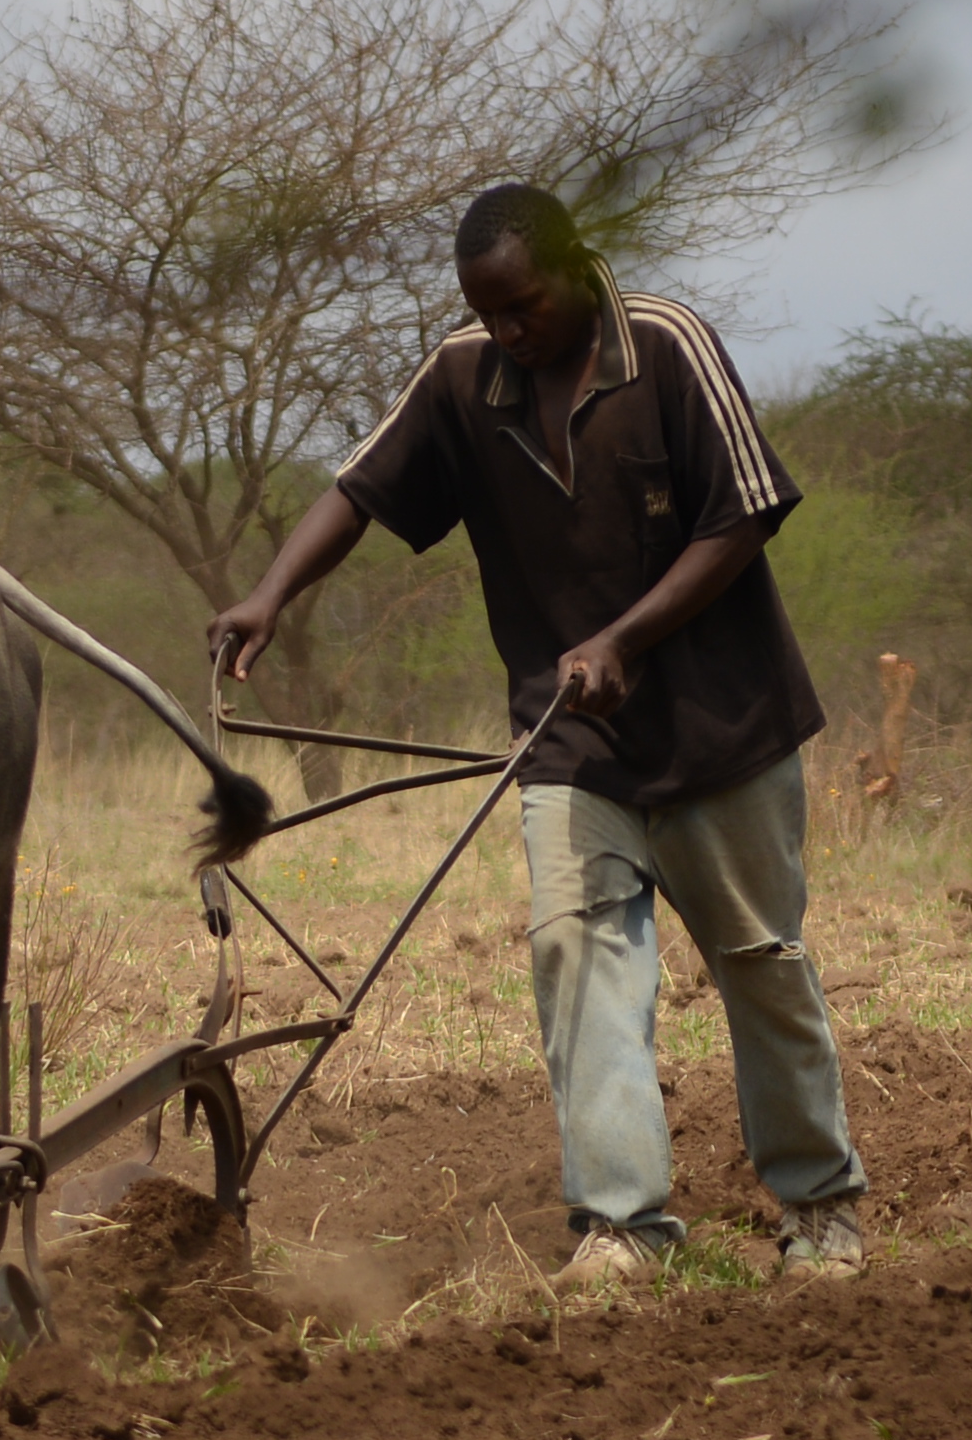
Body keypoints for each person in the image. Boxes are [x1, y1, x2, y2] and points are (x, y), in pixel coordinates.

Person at [211, 182, 866, 1284]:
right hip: (567, 742)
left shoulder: (666, 345)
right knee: (577, 959)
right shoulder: (466, 372)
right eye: (487, 311)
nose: (508, 331)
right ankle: (620, 1229)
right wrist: (270, 594)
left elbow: (743, 513)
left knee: (761, 963)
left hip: (721, 731)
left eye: (522, 307)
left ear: (575, 264)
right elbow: (361, 490)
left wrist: (623, 636)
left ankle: (820, 1209)